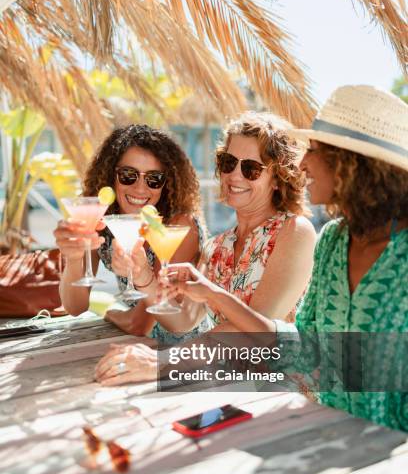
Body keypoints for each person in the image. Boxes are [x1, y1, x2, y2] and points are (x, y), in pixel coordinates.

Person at [153, 85, 408, 431]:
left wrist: (169, 362)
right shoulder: (333, 241)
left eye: (314, 151)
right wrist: (211, 294)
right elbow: (303, 348)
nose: (302, 163)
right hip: (328, 435)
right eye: (228, 164)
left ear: (350, 163)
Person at [94, 112, 316, 384]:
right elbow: (182, 321)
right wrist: (142, 276)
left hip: (282, 394)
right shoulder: (216, 247)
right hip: (224, 385)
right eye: (228, 162)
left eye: (251, 169)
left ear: (279, 178)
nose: (234, 175)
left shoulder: (294, 232)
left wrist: (163, 361)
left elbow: (253, 327)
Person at [54, 124, 209, 342]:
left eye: (153, 178)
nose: (140, 188)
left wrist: (108, 312)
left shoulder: (178, 226)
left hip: (184, 352)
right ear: (111, 175)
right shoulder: (103, 221)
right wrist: (73, 259)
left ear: (166, 183)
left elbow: (138, 323)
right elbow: (75, 306)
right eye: (128, 175)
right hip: (134, 346)